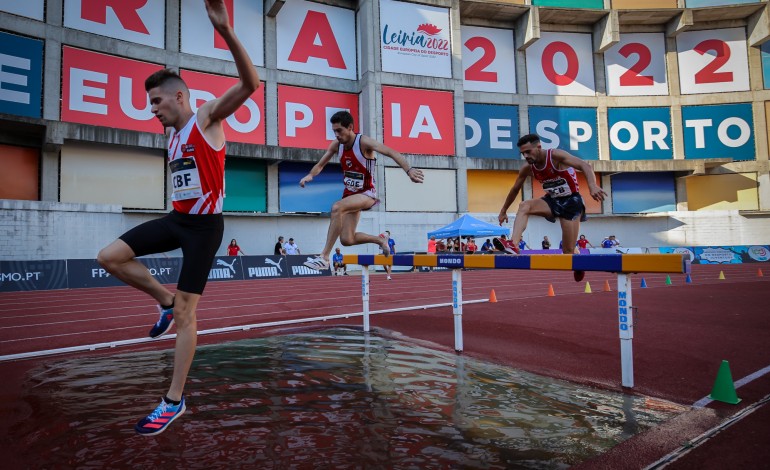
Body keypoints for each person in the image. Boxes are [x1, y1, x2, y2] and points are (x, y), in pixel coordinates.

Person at [95, 0, 260, 436]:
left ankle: (174, 400)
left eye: (156, 101)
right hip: (177, 219)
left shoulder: (206, 118)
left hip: (205, 228)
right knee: (109, 256)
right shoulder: (168, 135)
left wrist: (224, 31)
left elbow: (250, 84)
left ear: (180, 96)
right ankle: (164, 301)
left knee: (190, 317)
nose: (152, 109)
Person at [300, 111, 424, 270]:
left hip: (367, 194)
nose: (337, 135)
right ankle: (380, 240)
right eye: (334, 131)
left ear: (350, 127)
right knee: (347, 239)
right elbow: (320, 164)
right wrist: (311, 175)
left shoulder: (364, 142)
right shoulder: (337, 145)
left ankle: (324, 257)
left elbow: (391, 152)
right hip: (350, 195)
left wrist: (409, 170)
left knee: (337, 207)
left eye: (339, 131)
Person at [498, 133, 606, 282]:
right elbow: (515, 189)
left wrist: (592, 186)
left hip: (571, 202)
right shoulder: (528, 168)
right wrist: (503, 210)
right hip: (552, 200)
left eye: (528, 152)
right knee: (525, 205)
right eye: (523, 153)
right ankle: (513, 245)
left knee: (567, 252)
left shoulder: (555, 156)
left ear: (539, 147)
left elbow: (585, 165)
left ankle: (578, 262)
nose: (526, 156)